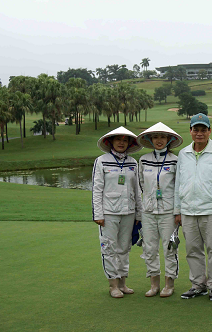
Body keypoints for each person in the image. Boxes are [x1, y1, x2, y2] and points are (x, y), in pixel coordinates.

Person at [174, 113, 212, 301]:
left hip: (211, 210)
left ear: (209, 131)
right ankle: (198, 284)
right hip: (188, 210)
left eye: (203, 130)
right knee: (192, 249)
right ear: (190, 131)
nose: (199, 133)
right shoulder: (183, 154)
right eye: (196, 130)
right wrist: (178, 210)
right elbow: (178, 184)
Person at [92, 126, 142, 298]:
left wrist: (139, 213)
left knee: (124, 248)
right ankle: (113, 285)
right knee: (110, 248)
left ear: (129, 143)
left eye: (125, 140)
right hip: (108, 213)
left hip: (128, 212)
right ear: (111, 141)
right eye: (118, 139)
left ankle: (122, 282)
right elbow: (97, 189)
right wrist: (98, 214)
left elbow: (138, 190)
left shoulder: (133, 163)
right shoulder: (101, 161)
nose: (122, 142)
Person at [136, 122, 182, 298]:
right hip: (148, 212)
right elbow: (142, 184)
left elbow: (178, 187)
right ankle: (154, 284)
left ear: (169, 139)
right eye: (155, 137)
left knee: (170, 248)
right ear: (150, 139)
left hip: (168, 211)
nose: (159, 140)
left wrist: (178, 211)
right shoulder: (144, 159)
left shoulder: (175, 160)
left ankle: (169, 284)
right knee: (149, 248)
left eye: (163, 137)